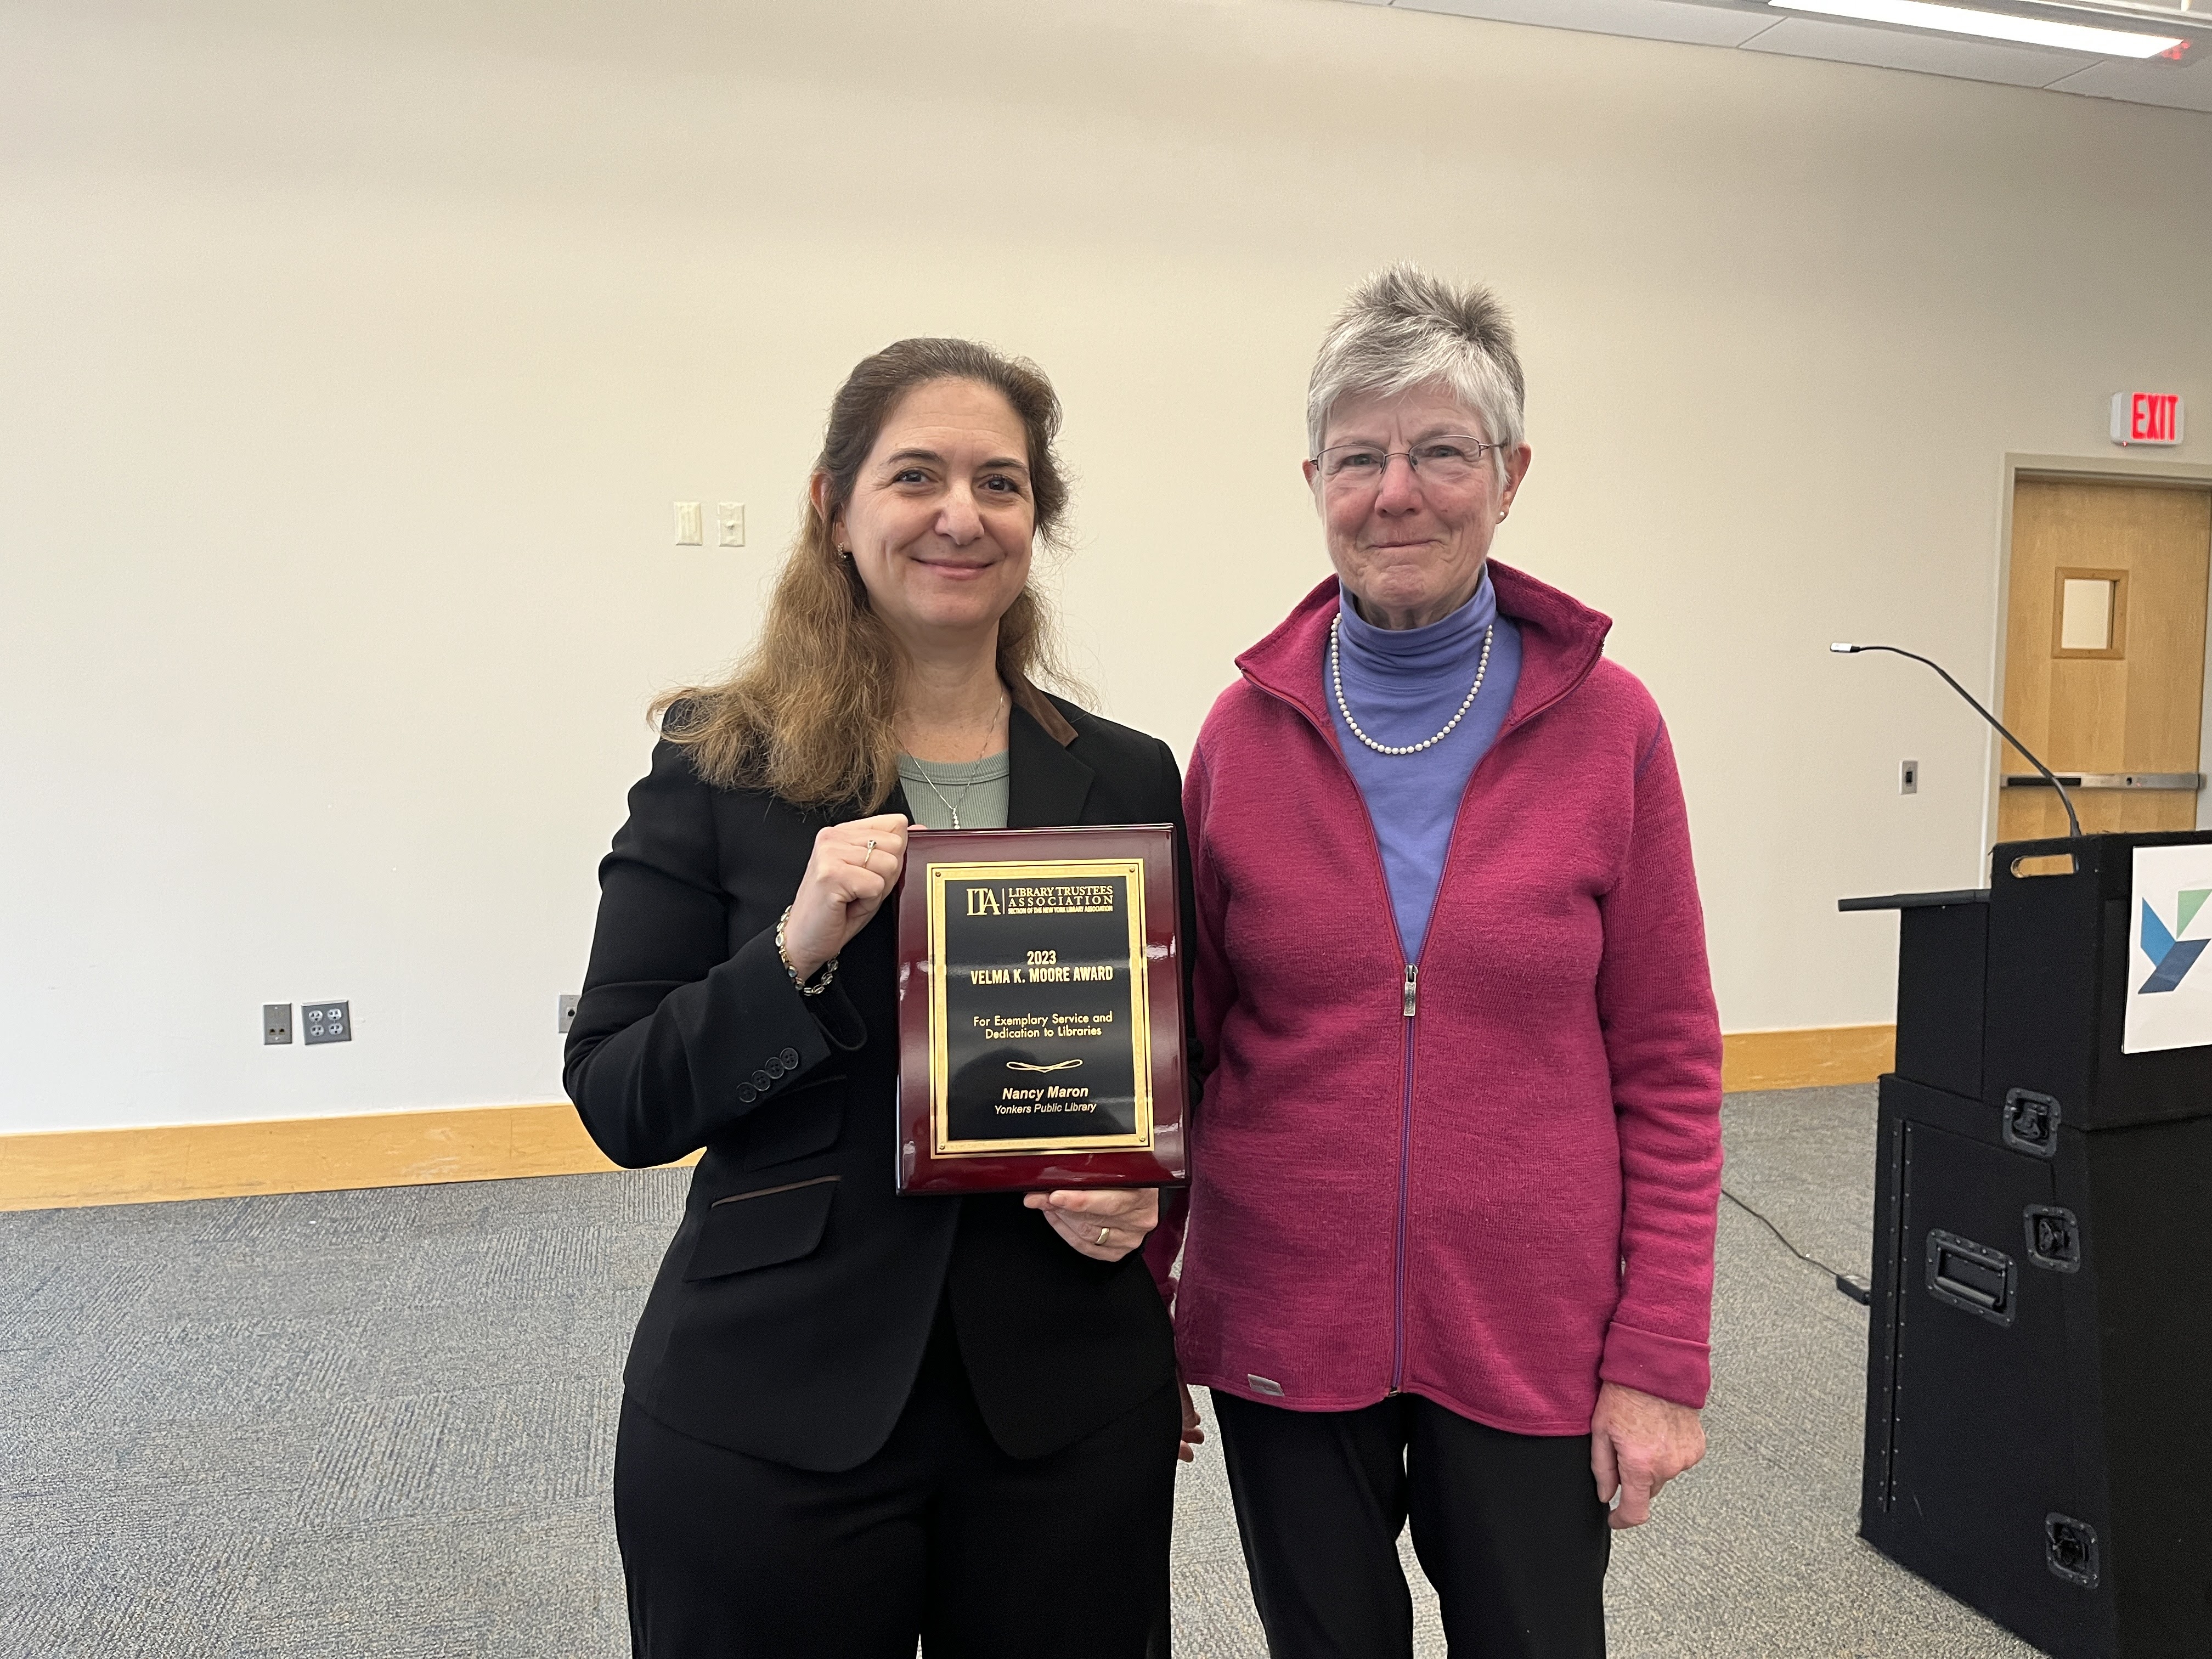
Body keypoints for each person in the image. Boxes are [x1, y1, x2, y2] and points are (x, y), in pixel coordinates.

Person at [566, 337, 1195, 1659]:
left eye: (1000, 483)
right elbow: (621, 1097)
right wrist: (791, 948)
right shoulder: (719, 763)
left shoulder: (1132, 778)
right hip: (777, 1397)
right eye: (917, 476)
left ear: (1038, 522)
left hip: (1066, 1396)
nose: (960, 514)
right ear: (833, 507)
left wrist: (1153, 1207)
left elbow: (1179, 1065)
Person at [1147, 266, 1723, 1659]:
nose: (1396, 492)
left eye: (1440, 452)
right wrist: (1142, 1303)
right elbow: (1182, 1054)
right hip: (1287, 1309)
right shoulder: (1240, 735)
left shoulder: (1612, 728)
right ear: (1315, 480)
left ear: (1510, 475)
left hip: (1528, 1323)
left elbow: (1669, 1064)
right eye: (1359, 458)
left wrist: (1657, 1360)